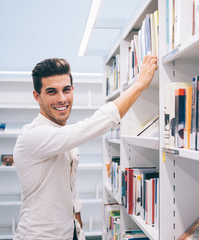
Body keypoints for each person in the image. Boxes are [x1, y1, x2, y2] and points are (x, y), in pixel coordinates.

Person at [13, 55, 158, 240]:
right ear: (37, 96)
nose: (62, 99)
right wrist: (139, 85)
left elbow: (70, 186)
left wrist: (78, 226)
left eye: (66, 90)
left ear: (73, 90)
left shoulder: (61, 134)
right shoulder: (33, 135)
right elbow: (94, 125)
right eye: (51, 92)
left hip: (70, 233)